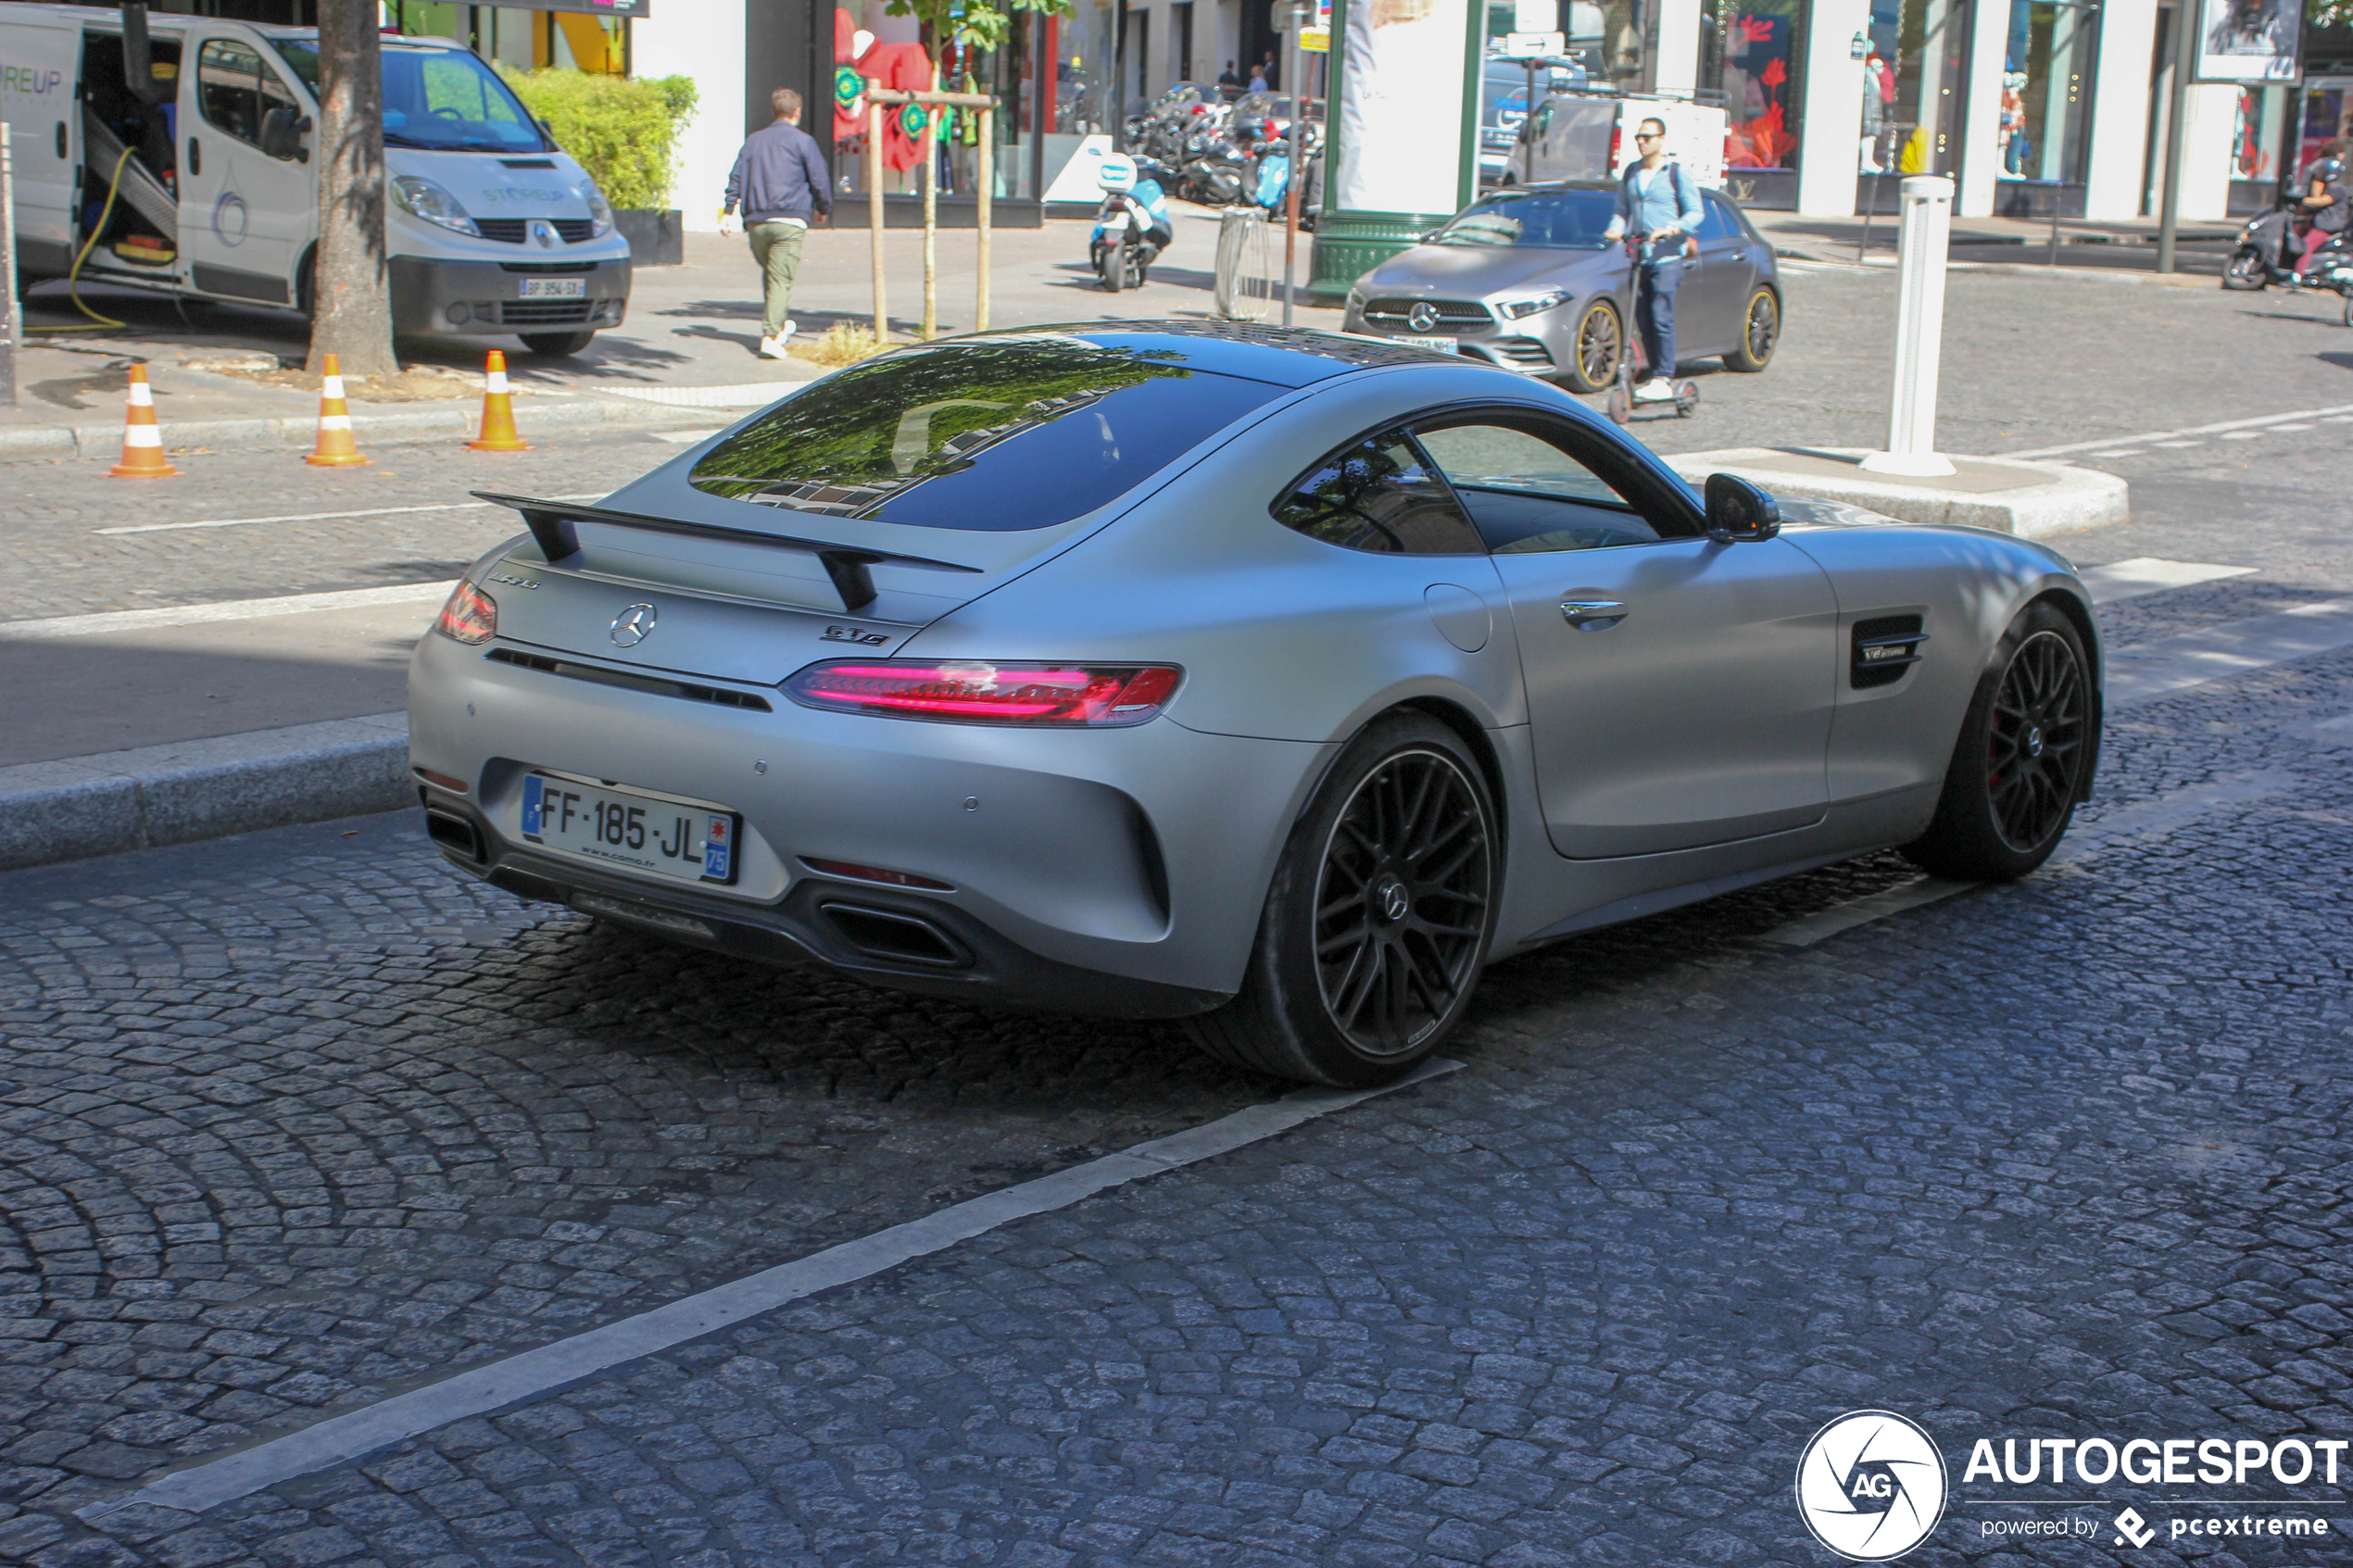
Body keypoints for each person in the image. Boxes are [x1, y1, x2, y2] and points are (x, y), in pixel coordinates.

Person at [721, 88, 833, 359]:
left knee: (773, 275)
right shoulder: (804, 142)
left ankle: (780, 325)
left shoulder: (753, 142)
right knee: (780, 279)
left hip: (757, 221)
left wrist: (728, 212)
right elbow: (819, 180)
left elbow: (736, 177)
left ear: (772, 112)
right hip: (790, 221)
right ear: (797, 112)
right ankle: (771, 337)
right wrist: (823, 208)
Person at [1603, 116, 1703, 402]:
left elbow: (1695, 212)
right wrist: (1616, 228)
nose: (1641, 142)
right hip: (1640, 257)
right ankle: (1653, 373)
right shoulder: (1632, 173)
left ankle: (1664, 376)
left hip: (1668, 257)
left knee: (1661, 315)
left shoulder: (1675, 173)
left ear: (1661, 139)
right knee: (1643, 318)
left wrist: (1671, 229)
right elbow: (1621, 209)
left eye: (1647, 137)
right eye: (1638, 137)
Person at [2293, 141, 2348, 283]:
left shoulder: (2337, 189)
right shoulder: (2331, 187)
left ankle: (2297, 276)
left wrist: (2305, 201)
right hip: (2322, 222)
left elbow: (2321, 201)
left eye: (2322, 174)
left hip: (2328, 226)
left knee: (2307, 244)